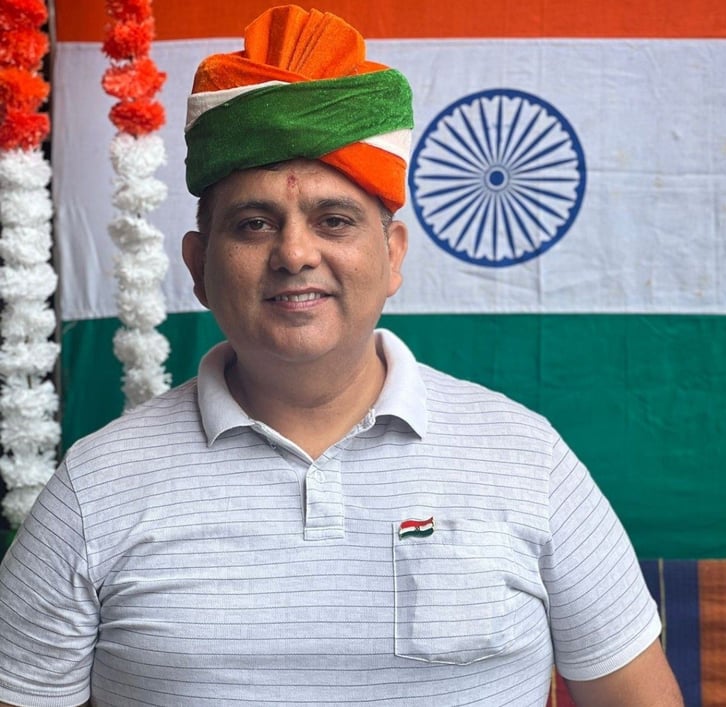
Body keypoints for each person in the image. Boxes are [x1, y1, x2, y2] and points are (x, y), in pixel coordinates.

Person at [0, 6, 683, 706]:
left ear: (393, 256)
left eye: (334, 220)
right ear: (199, 266)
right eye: (254, 223)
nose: (295, 254)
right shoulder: (94, 487)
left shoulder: (527, 460)